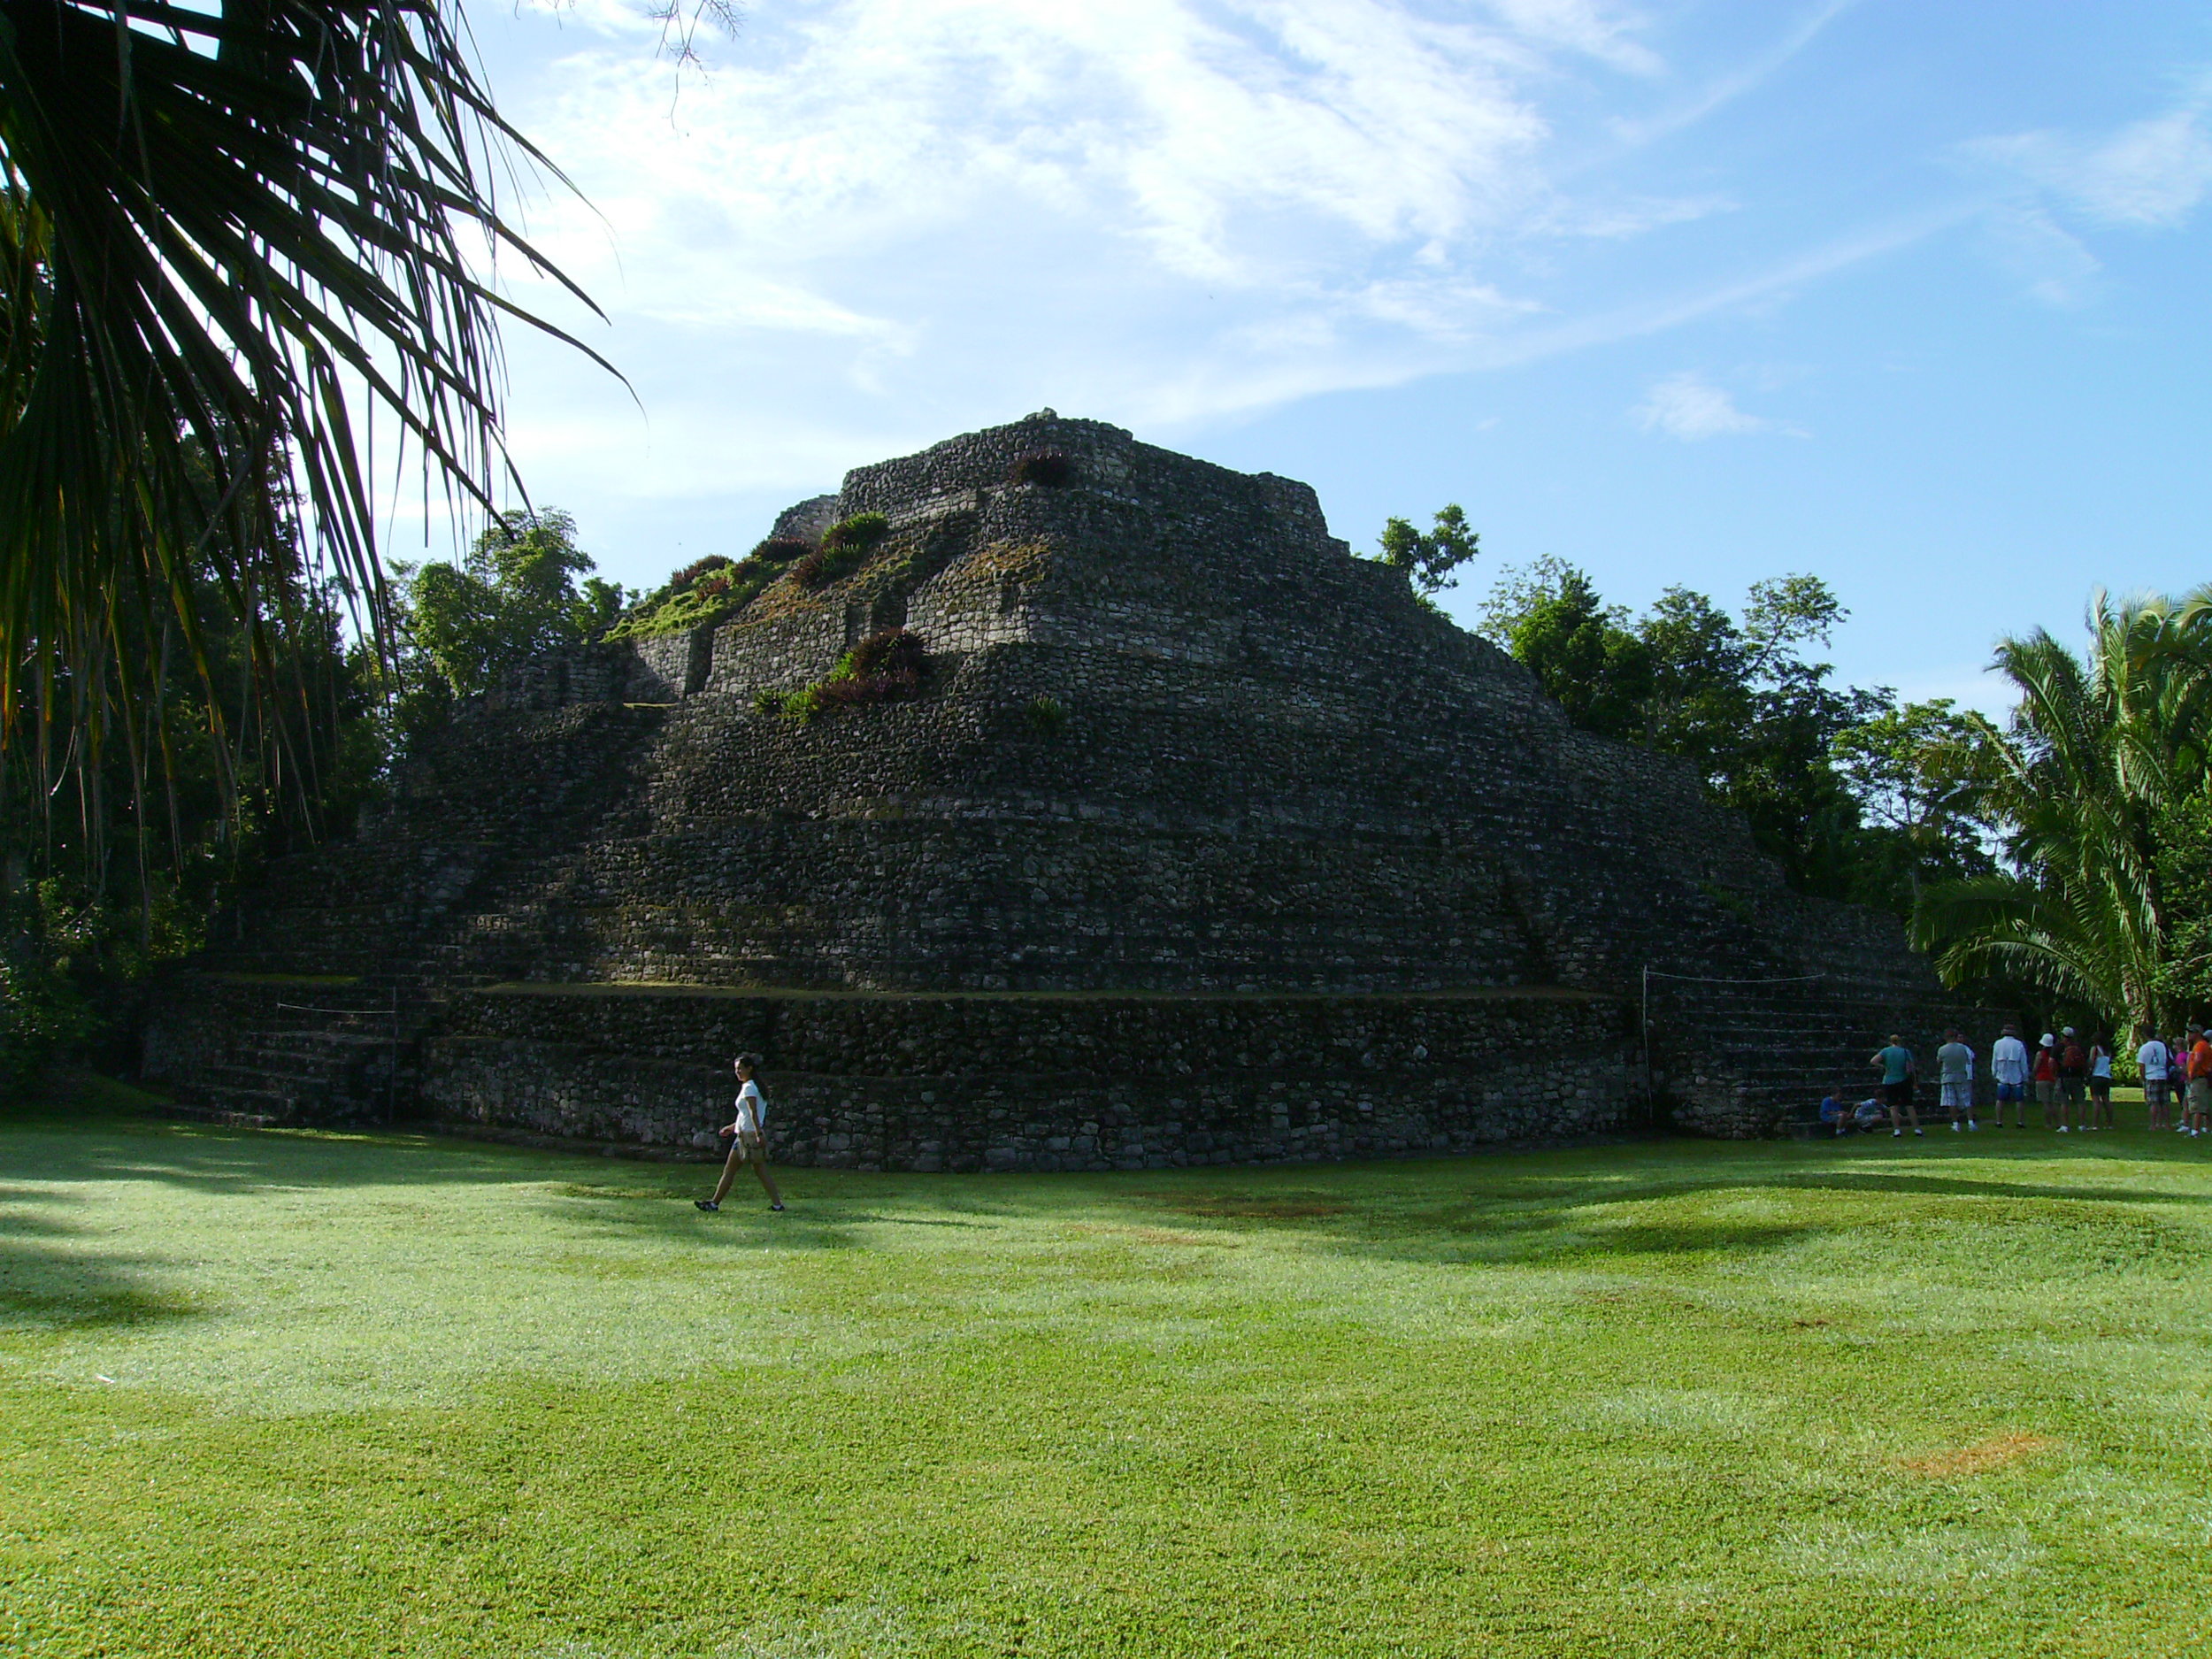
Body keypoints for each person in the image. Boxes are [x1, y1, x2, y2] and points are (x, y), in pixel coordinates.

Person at [696, 1054, 786, 1212]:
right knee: (760, 1171)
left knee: (730, 1171)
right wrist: (732, 1127)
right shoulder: (754, 1086)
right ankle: (777, 1205)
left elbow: (753, 1112)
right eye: (736, 1069)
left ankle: (714, 1203)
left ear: (749, 1068)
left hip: (747, 1137)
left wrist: (759, 1133)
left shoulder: (749, 1087)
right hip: (747, 1133)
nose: (737, 1072)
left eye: (740, 1069)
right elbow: (745, 1114)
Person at [1871, 1033, 1922, 1137]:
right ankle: (1917, 1129)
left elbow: (1873, 1061)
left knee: (1893, 1107)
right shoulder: (1905, 1052)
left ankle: (1897, 1130)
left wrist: (1884, 1066)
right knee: (1909, 1106)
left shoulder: (1885, 1051)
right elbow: (1911, 1069)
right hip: (1903, 1080)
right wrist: (1914, 1082)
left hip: (1889, 1080)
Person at [1990, 1024, 2031, 1129]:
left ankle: (1999, 1121)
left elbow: (1994, 1060)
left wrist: (1994, 1073)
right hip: (2016, 1076)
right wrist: (2025, 1076)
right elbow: (2023, 1062)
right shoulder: (2019, 1044)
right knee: (2019, 1100)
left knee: (2000, 1099)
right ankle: (2020, 1121)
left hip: (2002, 1075)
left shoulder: (1998, 1044)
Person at [1936, 1029, 1976, 1132]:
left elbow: (1939, 1061)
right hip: (1961, 1076)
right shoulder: (1963, 1048)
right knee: (1967, 1100)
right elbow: (1968, 1060)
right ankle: (1971, 1123)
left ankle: (1955, 1124)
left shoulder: (1942, 1049)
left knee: (1951, 1101)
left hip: (1948, 1077)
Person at [2139, 1025, 2173, 1133]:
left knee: (2154, 1102)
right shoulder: (2163, 1046)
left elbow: (2141, 1065)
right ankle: (2166, 1124)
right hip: (2162, 1075)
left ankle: (2153, 1125)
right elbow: (2170, 1059)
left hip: (2151, 1075)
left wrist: (2143, 1077)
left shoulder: (2144, 1048)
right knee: (2164, 1102)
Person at [2056, 1027, 2087, 1133]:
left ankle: (2065, 1125)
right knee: (2080, 1102)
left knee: (2064, 1102)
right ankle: (2082, 1125)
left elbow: (2052, 1062)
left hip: (2064, 1076)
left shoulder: (2060, 1047)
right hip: (2078, 1077)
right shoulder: (2078, 1047)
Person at [2188, 1025, 2212, 1139]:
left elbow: (2198, 1059)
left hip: (2199, 1078)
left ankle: (2195, 1131)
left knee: (2197, 1104)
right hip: (2202, 1078)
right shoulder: (2203, 1045)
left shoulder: (2200, 1045)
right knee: (2201, 1103)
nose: (2189, 1035)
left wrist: (2192, 1073)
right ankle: (2204, 1128)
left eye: (2192, 1032)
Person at [2086, 1033, 2114, 1130]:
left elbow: (2092, 1062)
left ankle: (2095, 1124)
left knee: (2096, 1101)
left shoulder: (2095, 1049)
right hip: (2106, 1076)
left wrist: (2088, 1071)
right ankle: (2109, 1123)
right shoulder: (2107, 1051)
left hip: (2097, 1076)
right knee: (2106, 1100)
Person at [2033, 1035, 2060, 1129]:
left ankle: (2048, 1123)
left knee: (2046, 1103)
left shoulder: (2040, 1054)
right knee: (2052, 1102)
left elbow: (2036, 1067)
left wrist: (2033, 1074)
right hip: (2052, 1079)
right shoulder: (2054, 1055)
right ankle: (2057, 1122)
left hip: (2041, 1079)